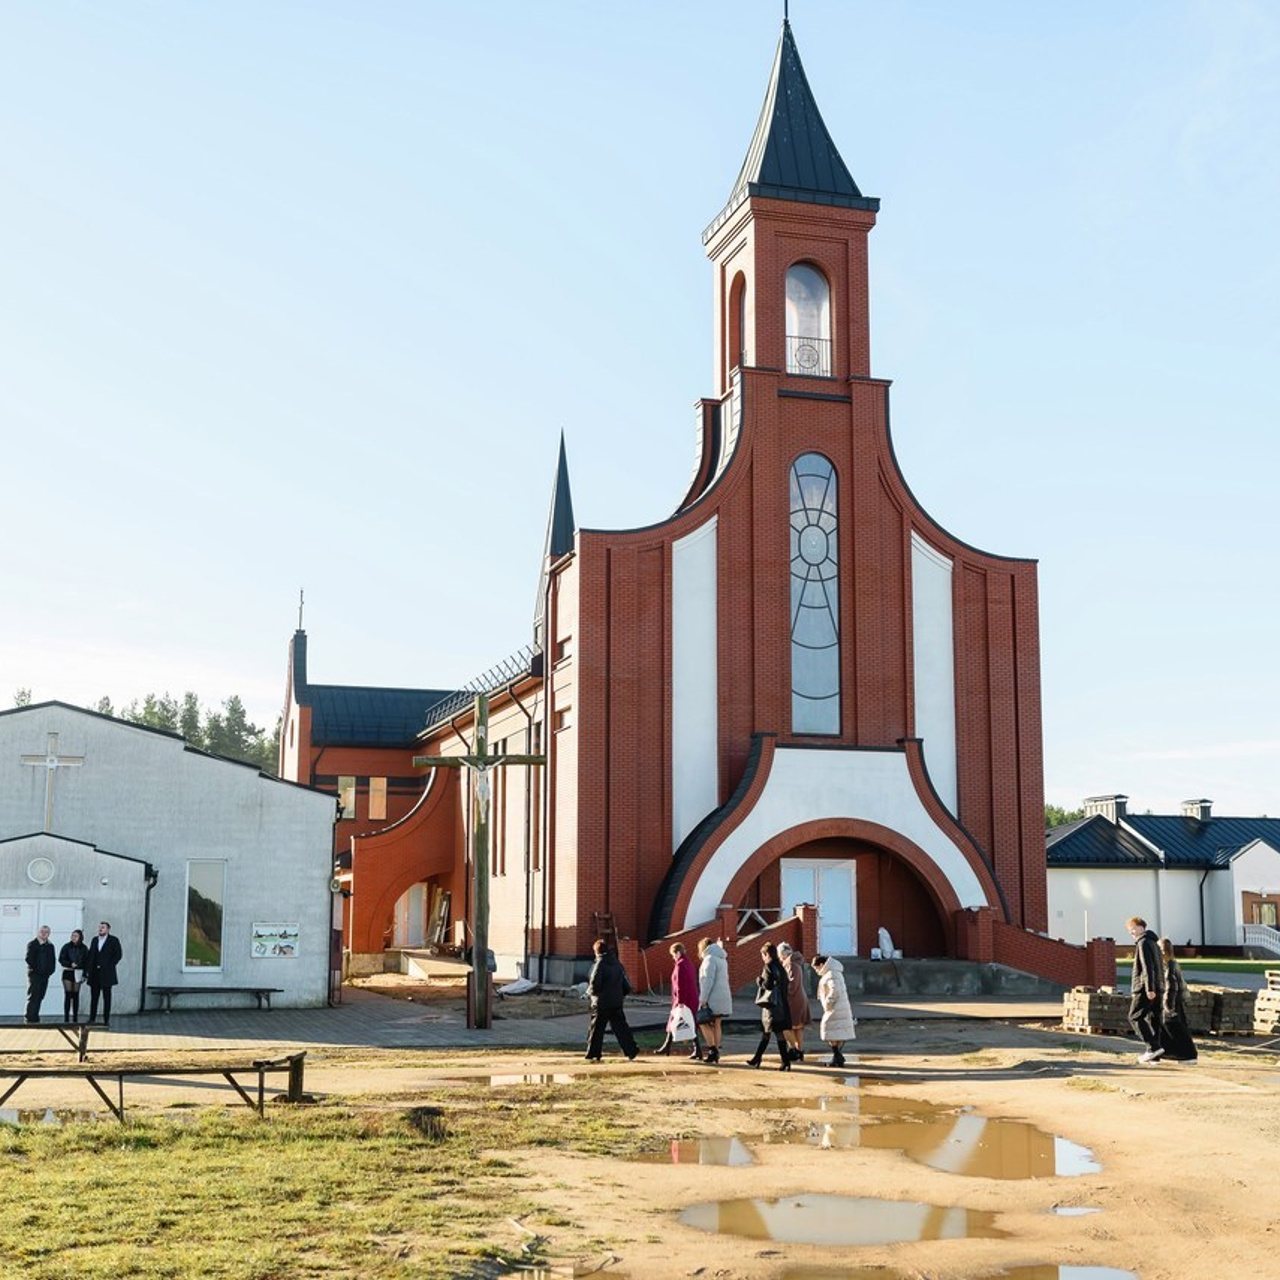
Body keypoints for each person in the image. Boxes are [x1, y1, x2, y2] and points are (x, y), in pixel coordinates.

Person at [584, 939, 638, 1062]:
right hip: (616, 1002)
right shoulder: (618, 964)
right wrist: (620, 995)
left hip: (602, 1003)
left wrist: (591, 993)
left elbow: (595, 984)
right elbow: (625, 985)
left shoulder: (600, 964)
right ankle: (631, 1050)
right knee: (621, 1027)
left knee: (597, 1029)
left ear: (597, 952)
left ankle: (593, 1053)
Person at [745, 941, 792, 1070]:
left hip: (771, 1006)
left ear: (766, 954)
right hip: (781, 1004)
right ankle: (758, 1058)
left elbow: (768, 985)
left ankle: (784, 1061)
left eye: (763, 955)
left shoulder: (768, 966)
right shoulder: (780, 967)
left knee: (774, 1033)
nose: (762, 958)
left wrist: (759, 980)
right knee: (770, 1032)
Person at [1126, 915, 1164, 1064]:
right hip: (1158, 987)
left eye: (1133, 929)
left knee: (1134, 1016)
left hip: (1145, 987)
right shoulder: (1154, 943)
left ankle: (1153, 1048)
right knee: (1155, 1019)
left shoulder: (1142, 943)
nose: (1131, 933)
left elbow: (1147, 967)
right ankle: (1155, 1056)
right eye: (1130, 930)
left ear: (1141, 927)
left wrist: (1149, 988)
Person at [655, 941, 702, 1059]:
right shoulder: (688, 963)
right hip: (691, 998)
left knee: (678, 1022)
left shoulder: (680, 965)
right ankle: (669, 1046)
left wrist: (680, 1001)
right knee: (688, 1023)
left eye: (673, 954)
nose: (673, 957)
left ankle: (669, 1046)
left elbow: (680, 985)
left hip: (683, 1000)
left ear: (678, 953)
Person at [1157, 937, 1198, 1064]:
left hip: (1173, 1000)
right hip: (1175, 999)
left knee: (1174, 1026)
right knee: (1174, 1026)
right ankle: (1173, 1053)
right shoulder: (1171, 963)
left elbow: (1171, 986)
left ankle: (1186, 1054)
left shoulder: (1169, 966)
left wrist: (1169, 1005)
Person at [812, 954, 857, 1067]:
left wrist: (828, 1003)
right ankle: (837, 1057)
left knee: (829, 1030)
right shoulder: (834, 972)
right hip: (839, 1007)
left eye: (816, 968)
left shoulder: (831, 974)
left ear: (821, 965)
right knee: (838, 1031)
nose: (816, 970)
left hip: (835, 1007)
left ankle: (837, 1056)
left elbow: (834, 990)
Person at [696, 936, 732, 1065]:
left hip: (713, 996)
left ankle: (712, 1049)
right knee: (717, 1023)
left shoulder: (709, 959)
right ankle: (716, 1049)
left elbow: (707, 980)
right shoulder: (722, 959)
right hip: (723, 995)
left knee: (702, 1022)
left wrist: (703, 999)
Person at [85, 921, 123, 1027]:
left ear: (108, 929)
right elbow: (91, 955)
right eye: (100, 927)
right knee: (94, 997)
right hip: (94, 974)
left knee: (107, 997)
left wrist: (109, 965)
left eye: (103, 927)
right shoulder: (94, 940)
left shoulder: (113, 940)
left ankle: (106, 1019)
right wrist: (88, 970)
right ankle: (92, 1018)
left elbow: (118, 954)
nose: (100, 929)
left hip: (107, 973)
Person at [778, 942, 811, 1062]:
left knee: (788, 1027)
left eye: (780, 955)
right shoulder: (796, 963)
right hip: (799, 999)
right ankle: (799, 1050)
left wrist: (782, 993)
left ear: (784, 954)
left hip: (793, 1000)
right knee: (798, 1028)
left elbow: (792, 984)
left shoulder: (791, 964)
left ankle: (794, 1050)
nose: (780, 958)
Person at [24, 925, 56, 1024]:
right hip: (35, 975)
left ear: (49, 934)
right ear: (38, 932)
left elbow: (52, 960)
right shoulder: (33, 944)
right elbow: (29, 959)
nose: (44, 933)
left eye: (46, 932)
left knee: (41, 995)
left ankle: (35, 1015)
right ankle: (29, 1017)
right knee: (33, 995)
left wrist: (50, 971)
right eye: (42, 931)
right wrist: (36, 969)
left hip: (45, 975)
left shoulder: (50, 946)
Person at [58, 928, 90, 1024]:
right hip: (68, 971)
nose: (74, 938)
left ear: (80, 937)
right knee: (68, 994)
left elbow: (87, 961)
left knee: (76, 995)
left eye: (76, 936)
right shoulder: (66, 947)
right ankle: (66, 1017)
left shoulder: (84, 948)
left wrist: (84, 972)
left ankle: (75, 1017)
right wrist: (69, 964)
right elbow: (61, 959)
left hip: (78, 972)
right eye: (72, 936)